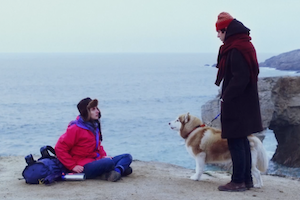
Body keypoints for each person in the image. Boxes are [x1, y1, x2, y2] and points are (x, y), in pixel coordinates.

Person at [214, 12, 263, 191]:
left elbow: (240, 77)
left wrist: (226, 96)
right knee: (241, 140)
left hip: (238, 103)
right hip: (245, 102)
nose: (218, 35)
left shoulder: (235, 48)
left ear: (226, 30)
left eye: (219, 32)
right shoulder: (243, 44)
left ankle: (238, 181)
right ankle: (247, 180)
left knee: (236, 141)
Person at [55, 97, 133, 182]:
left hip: (95, 160)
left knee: (127, 157)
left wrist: (103, 155)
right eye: (93, 109)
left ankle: (116, 172)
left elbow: (98, 145)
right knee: (109, 163)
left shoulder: (94, 126)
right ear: (86, 112)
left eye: (97, 108)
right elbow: (59, 148)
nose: (97, 111)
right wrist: (72, 166)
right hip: (82, 166)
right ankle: (118, 170)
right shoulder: (75, 128)